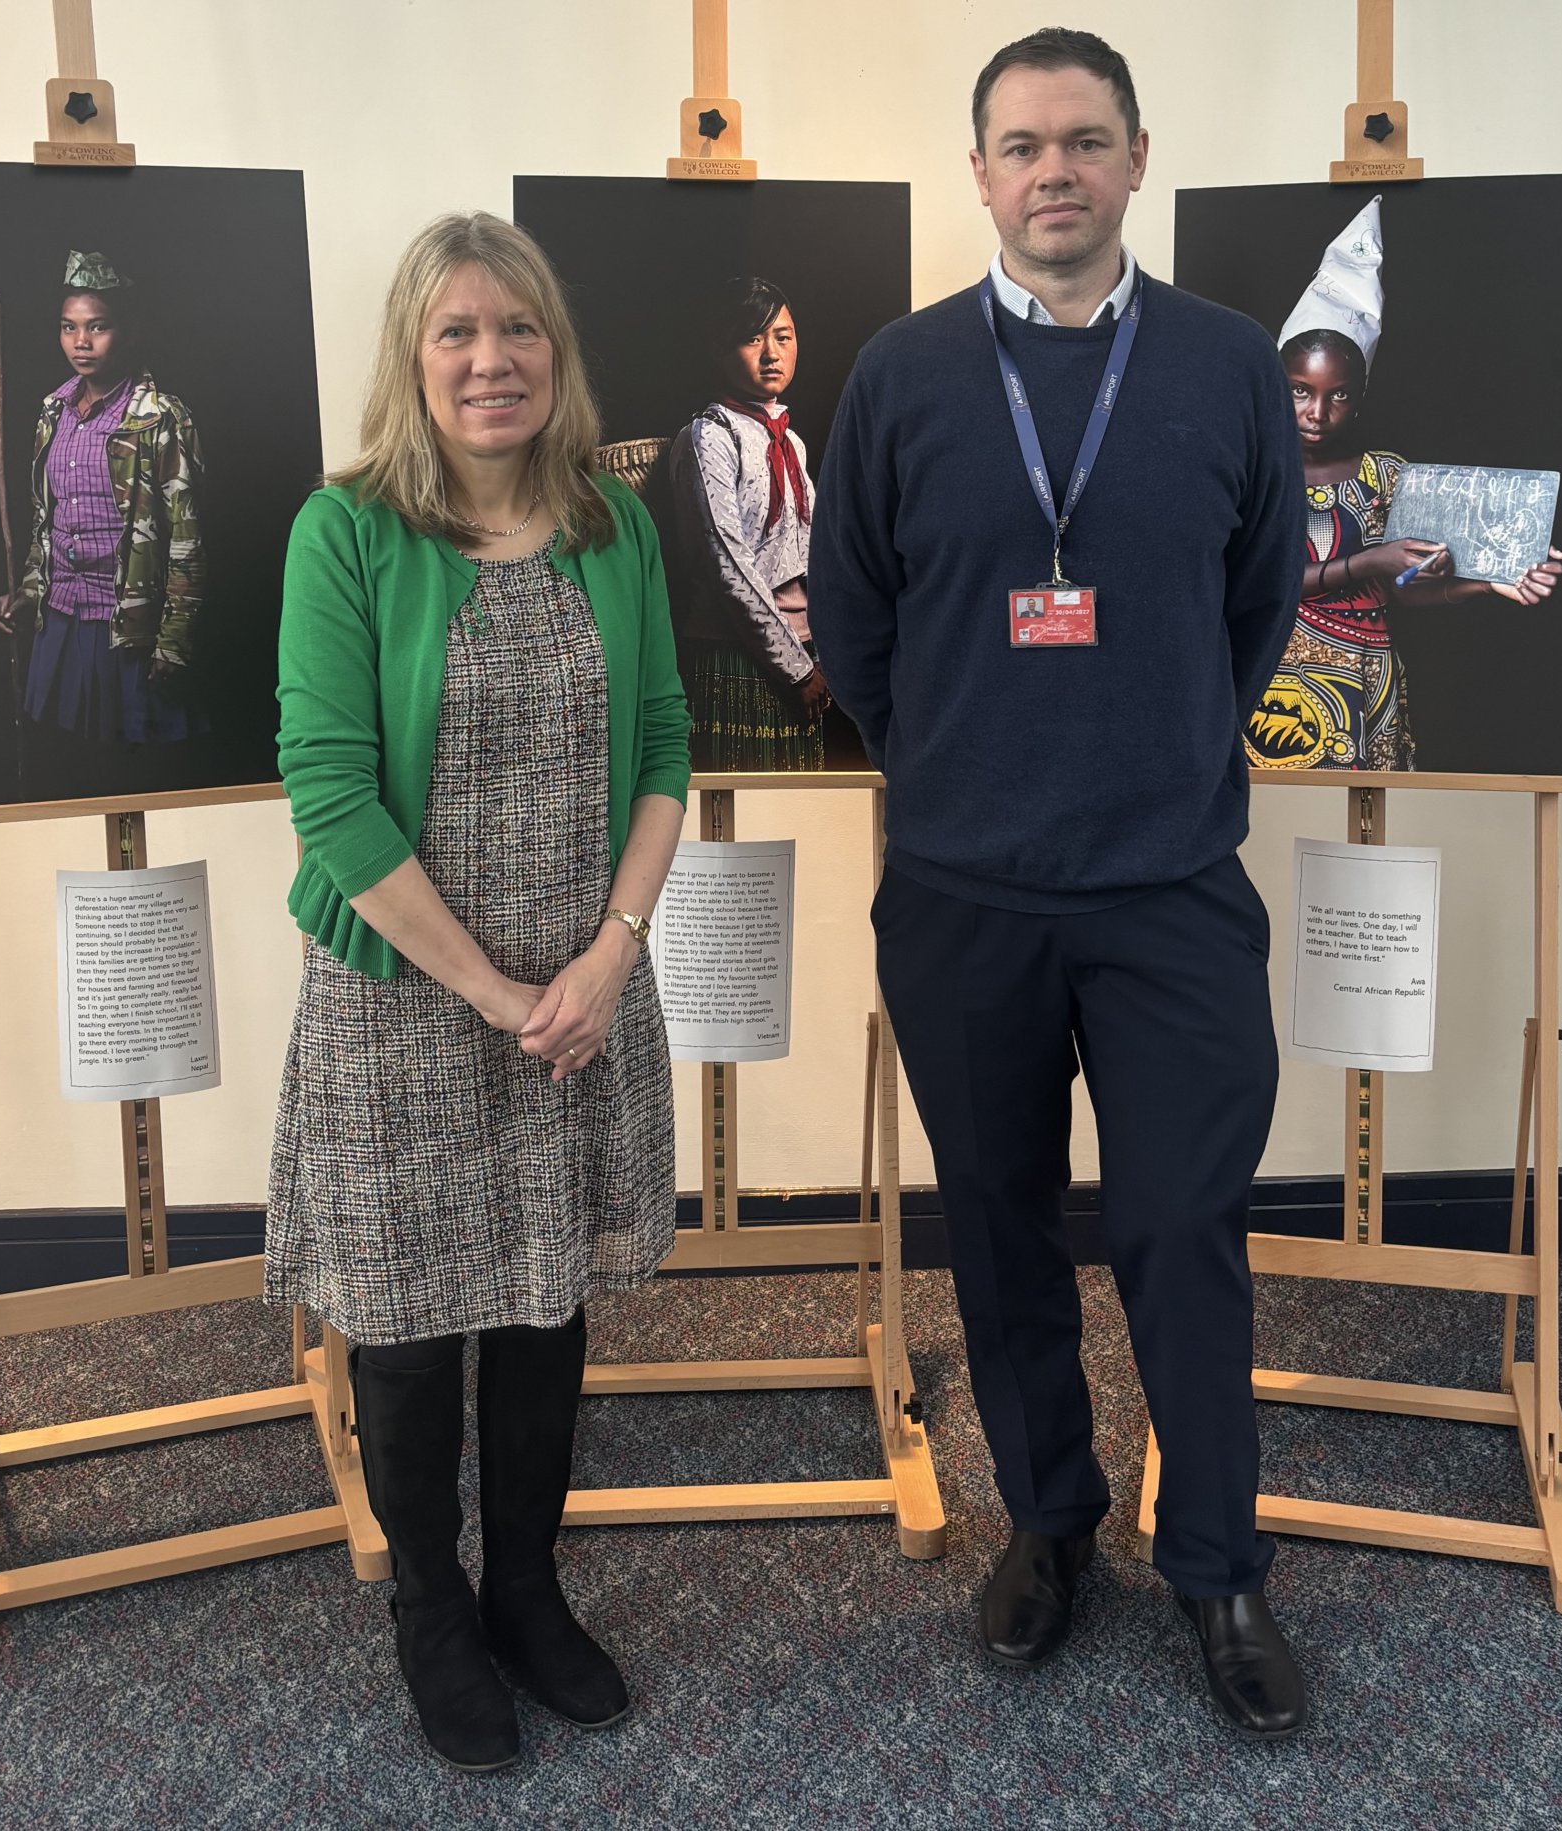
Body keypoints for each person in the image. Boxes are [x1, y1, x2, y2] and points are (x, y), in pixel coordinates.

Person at [809, 29, 1309, 1738]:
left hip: (1167, 886)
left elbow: (1256, 602)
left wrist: (1153, 748)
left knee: (1182, 1227)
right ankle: (1046, 1516)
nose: (1052, 173)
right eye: (1019, 145)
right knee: (1001, 1225)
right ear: (977, 174)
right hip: (962, 894)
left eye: (1083, 141)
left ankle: (1219, 1563)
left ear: (1135, 161)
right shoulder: (896, 375)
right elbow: (853, 620)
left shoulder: (1230, 366)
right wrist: (954, 762)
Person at [265, 211, 690, 1774]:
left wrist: (609, 954)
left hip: (584, 993)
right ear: (413, 355)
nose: (491, 360)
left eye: (518, 330)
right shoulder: (350, 528)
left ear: (554, 351)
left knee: (543, 1296)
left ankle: (525, 1582)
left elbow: (661, 747)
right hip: (403, 993)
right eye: (456, 333)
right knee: (402, 1314)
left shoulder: (610, 525)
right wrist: (496, 985)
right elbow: (328, 792)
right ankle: (430, 1608)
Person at [1246, 197, 1562, 770]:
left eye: (1337, 395)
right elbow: (1251, 585)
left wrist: (1489, 582)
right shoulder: (1250, 471)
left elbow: (1407, 587)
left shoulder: (1385, 476)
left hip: (1372, 685)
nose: (1317, 411)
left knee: (1369, 838)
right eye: (1300, 390)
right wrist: (1370, 562)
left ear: (1359, 397)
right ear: (1274, 384)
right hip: (1279, 693)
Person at [0, 250, 204, 798]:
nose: (80, 342)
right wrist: (28, 592)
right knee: (68, 773)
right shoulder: (52, 413)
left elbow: (185, 538)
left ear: (125, 331)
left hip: (127, 627)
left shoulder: (158, 416)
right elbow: (48, 524)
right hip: (61, 625)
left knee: (134, 780)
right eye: (69, 328)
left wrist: (173, 640)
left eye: (97, 327)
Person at [663, 275, 832, 769]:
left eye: (783, 336)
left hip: (805, 657)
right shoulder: (708, 437)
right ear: (720, 348)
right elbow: (727, 563)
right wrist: (795, 670)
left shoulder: (791, 442)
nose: (771, 354)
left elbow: (815, 554)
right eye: (752, 338)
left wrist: (820, 657)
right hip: (733, 654)